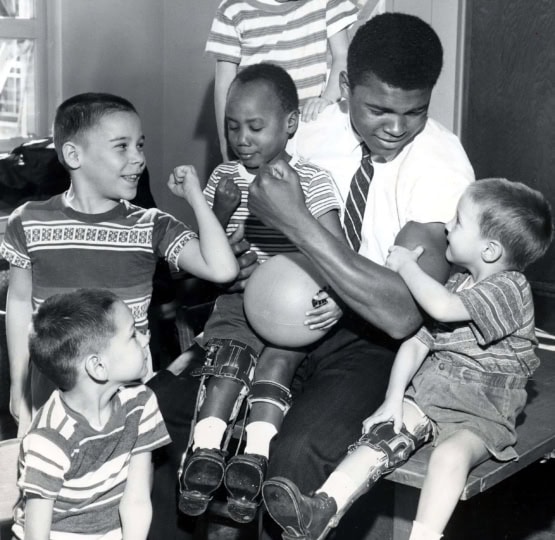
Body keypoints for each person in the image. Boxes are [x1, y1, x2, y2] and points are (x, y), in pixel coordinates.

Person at [241, 12, 475, 537]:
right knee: (177, 410)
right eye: (377, 109)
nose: (395, 128)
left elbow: (401, 313)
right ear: (345, 88)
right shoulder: (312, 132)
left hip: (380, 342)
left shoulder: (440, 164)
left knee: (296, 457)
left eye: (414, 111)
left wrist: (298, 223)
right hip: (293, 312)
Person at [262, 178, 554, 540]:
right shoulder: (458, 282)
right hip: (433, 392)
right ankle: (322, 507)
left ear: (491, 250)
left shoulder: (510, 288)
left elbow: (442, 310)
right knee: (380, 435)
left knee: (449, 458)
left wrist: (405, 266)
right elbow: (417, 344)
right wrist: (393, 398)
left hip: (484, 410)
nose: (448, 226)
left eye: (459, 222)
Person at [0, 92, 239, 436]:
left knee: (124, 486)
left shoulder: (152, 225)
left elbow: (222, 270)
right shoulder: (28, 222)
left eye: (140, 145)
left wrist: (195, 198)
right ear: (73, 155)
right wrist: (18, 385)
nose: (139, 158)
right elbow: (20, 304)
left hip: (127, 400)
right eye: (122, 147)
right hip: (51, 395)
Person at [178, 62, 345, 524]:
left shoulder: (311, 180)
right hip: (239, 298)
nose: (242, 139)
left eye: (256, 126)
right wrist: (221, 209)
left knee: (276, 362)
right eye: (233, 128)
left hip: (293, 308)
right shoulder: (223, 178)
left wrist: (327, 290)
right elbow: (212, 260)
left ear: (290, 125)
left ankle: (254, 456)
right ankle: (205, 453)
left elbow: (335, 251)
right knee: (229, 358)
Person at [12, 289, 172, 540]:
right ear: (98, 366)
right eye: (133, 334)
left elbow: (137, 500)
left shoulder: (141, 403)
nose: (145, 339)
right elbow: (37, 534)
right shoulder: (51, 439)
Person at [205, 0, 359, 160]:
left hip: (310, 123)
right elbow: (225, 85)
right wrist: (226, 150)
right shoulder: (232, 7)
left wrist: (328, 99)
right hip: (256, 131)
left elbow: (343, 56)